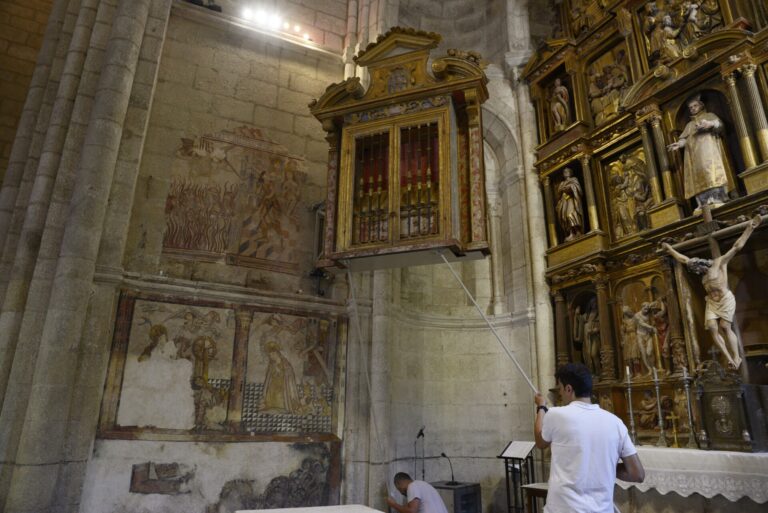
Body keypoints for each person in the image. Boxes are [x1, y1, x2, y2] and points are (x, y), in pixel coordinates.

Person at [534, 363, 644, 513]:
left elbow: (540, 442)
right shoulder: (615, 422)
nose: (560, 393)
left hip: (564, 508)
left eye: (560, 388)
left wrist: (541, 407)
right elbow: (637, 474)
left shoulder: (555, 414)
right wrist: (604, 466)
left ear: (568, 389)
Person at [661, 214, 761, 369]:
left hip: (725, 299)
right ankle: (728, 357)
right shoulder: (700, 270)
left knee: (725, 326)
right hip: (712, 302)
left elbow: (737, 247)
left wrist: (750, 227)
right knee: (713, 328)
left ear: (702, 263)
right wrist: (669, 249)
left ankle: (736, 357)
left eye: (698, 268)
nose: (698, 271)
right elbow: (682, 259)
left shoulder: (719, 263)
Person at [667, 95, 730, 211]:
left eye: (695, 106)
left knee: (711, 172)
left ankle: (716, 198)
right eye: (691, 107)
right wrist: (679, 144)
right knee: (697, 176)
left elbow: (720, 126)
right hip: (694, 156)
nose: (693, 109)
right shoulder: (689, 125)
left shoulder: (709, 116)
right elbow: (685, 138)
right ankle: (703, 202)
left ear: (701, 105)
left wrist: (710, 124)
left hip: (709, 151)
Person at [556, 168, 584, 241]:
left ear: (571, 173)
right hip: (564, 202)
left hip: (572, 200)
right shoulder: (562, 183)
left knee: (571, 214)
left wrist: (570, 187)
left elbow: (579, 190)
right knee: (564, 217)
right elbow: (558, 195)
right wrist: (561, 190)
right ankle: (571, 233)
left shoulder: (574, 179)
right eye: (564, 172)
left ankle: (578, 231)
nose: (565, 173)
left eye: (567, 171)